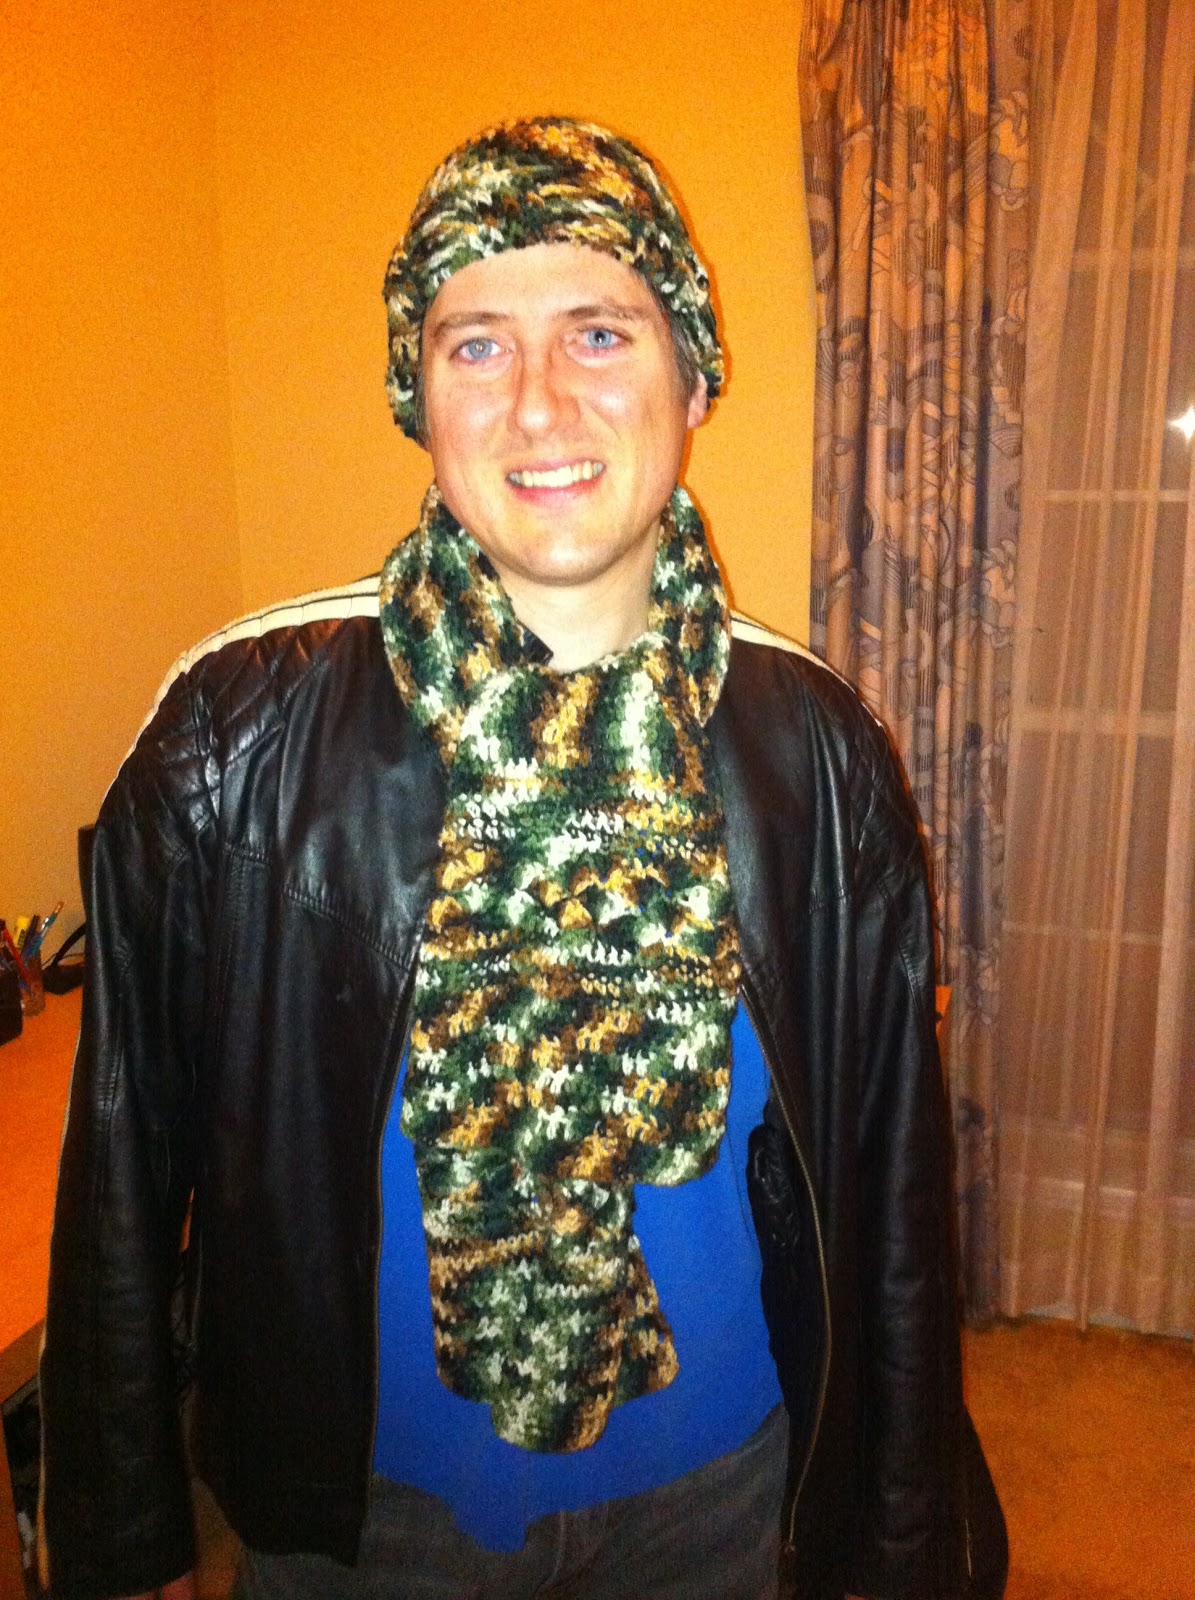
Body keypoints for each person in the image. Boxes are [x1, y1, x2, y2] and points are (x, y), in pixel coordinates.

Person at [41, 119, 1006, 1600]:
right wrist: (118, 1539)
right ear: (417, 396)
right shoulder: (232, 735)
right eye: (477, 345)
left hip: (722, 1504)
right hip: (357, 1520)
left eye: (599, 333)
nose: (541, 404)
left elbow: (889, 1198)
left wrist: (899, 1535)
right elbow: (122, 1161)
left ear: (693, 376)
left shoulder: (821, 755)